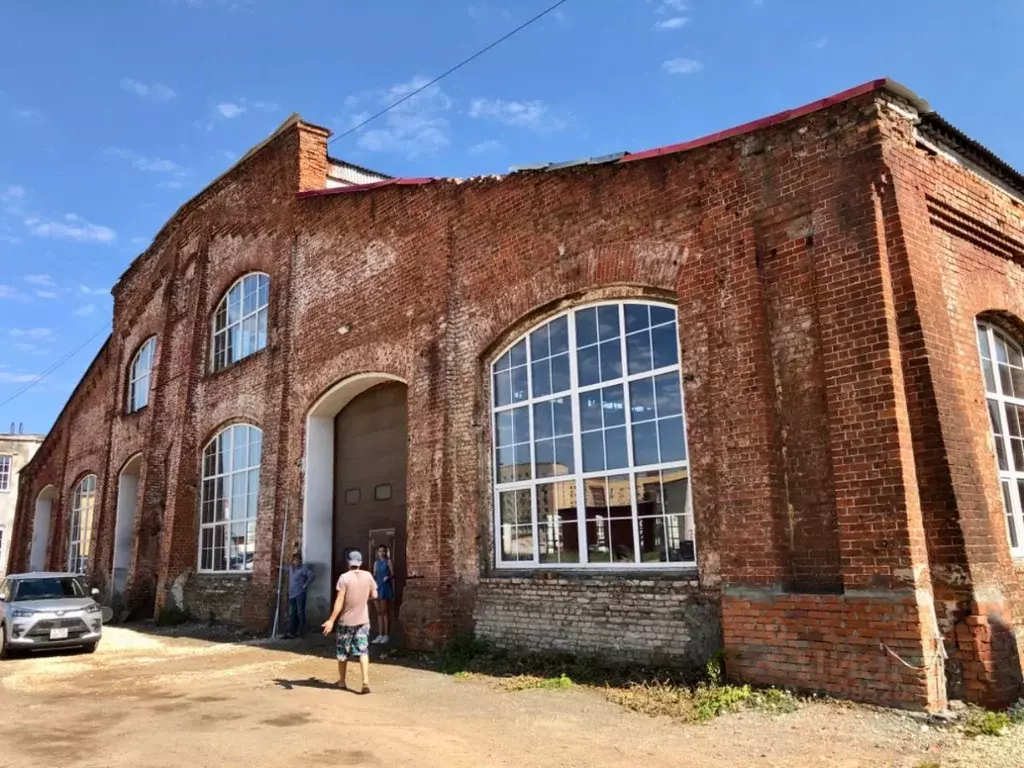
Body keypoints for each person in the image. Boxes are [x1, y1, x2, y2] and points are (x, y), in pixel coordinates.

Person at [321, 550, 377, 694]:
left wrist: (331, 620)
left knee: (342, 652)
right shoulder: (368, 576)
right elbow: (374, 595)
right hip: (363, 620)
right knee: (363, 650)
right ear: (360, 563)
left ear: (348, 562)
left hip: (346, 622)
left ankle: (342, 681)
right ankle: (365, 682)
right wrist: (363, 601)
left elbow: (339, 600)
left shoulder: (344, 578)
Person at [283, 553, 315, 639]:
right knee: (292, 613)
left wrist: (305, 584)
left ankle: (300, 631)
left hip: (300, 594)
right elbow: (284, 569)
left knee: (300, 612)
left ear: (300, 561)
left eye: (298, 560)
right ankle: (291, 631)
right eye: (295, 560)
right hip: (291, 595)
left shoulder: (304, 568)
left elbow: (312, 576)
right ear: (293, 561)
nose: (296, 562)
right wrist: (277, 567)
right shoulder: (290, 569)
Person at [372, 545, 395, 644]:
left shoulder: (389, 561)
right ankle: (380, 634)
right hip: (377, 587)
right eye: (380, 551)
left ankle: (386, 635)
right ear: (377, 553)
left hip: (385, 587)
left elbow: (393, 574)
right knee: (378, 612)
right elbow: (374, 574)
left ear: (386, 552)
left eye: (383, 551)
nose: (382, 553)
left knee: (385, 611)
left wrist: (388, 577)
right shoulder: (376, 563)